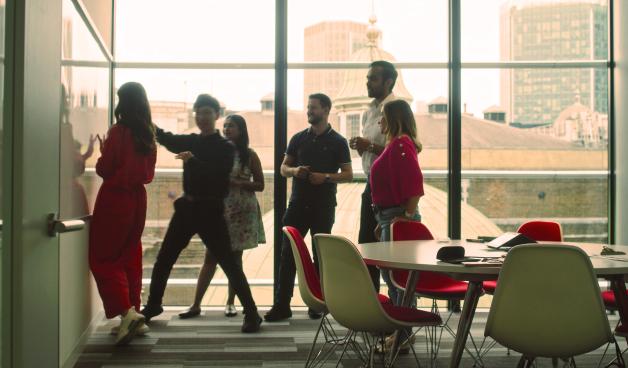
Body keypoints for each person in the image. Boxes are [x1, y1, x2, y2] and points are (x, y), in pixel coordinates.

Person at [140, 94, 262, 333]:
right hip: (187, 208)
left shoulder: (225, 148)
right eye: (199, 112)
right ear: (194, 115)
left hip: (210, 210)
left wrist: (192, 160)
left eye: (207, 112)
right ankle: (153, 305)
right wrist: (145, 119)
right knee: (164, 258)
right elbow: (167, 138)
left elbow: (217, 177)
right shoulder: (192, 140)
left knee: (228, 263)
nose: (202, 117)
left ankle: (252, 313)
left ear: (216, 115)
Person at [264, 93, 353, 322]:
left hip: (323, 206)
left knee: (319, 255)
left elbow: (348, 175)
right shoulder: (298, 138)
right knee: (288, 255)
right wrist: (295, 171)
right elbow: (284, 168)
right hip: (296, 205)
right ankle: (282, 305)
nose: (308, 111)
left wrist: (323, 177)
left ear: (325, 109)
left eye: (313, 108)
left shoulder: (339, 142)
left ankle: (316, 304)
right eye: (308, 107)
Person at [178, 114, 266, 319]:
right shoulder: (216, 153)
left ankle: (230, 303)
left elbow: (260, 185)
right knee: (211, 256)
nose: (226, 129)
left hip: (242, 211)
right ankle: (196, 304)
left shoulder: (250, 155)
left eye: (231, 126)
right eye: (225, 126)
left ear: (241, 130)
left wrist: (239, 183)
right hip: (219, 208)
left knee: (235, 259)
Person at [89, 82, 157, 346]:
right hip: (137, 200)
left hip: (115, 198)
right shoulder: (148, 134)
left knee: (104, 257)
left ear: (122, 102)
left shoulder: (118, 132)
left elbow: (105, 169)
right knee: (129, 253)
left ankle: (127, 313)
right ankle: (134, 314)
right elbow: (147, 175)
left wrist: (103, 151)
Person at [370, 99, 424, 351]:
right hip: (388, 217)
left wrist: (407, 216)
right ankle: (401, 333)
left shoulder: (401, 144)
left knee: (397, 280)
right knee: (394, 279)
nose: (379, 121)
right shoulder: (397, 144)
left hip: (396, 217)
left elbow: (414, 182)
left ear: (393, 119)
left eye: (383, 116)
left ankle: (403, 335)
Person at [349, 60, 398, 292]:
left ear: (388, 82)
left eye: (373, 79)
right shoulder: (369, 111)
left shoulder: (396, 109)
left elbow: (400, 151)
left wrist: (369, 146)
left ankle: (394, 310)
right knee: (367, 244)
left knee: (390, 248)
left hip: (389, 186)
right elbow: (373, 148)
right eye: (368, 78)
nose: (368, 82)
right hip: (371, 183)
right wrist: (362, 146)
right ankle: (373, 307)